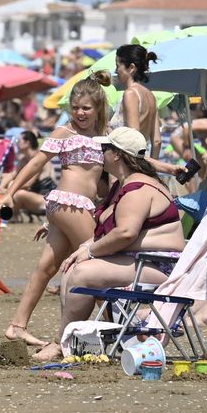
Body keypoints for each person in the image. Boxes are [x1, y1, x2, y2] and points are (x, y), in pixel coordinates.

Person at [41, 128, 184, 359]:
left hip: (161, 267)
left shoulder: (138, 189)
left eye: (104, 148)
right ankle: (69, 340)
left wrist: (90, 250)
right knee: (71, 269)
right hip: (142, 262)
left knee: (82, 274)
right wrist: (83, 248)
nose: (99, 152)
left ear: (117, 154)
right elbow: (111, 230)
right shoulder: (123, 185)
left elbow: (126, 233)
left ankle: (61, 345)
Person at [0, 74, 112, 346]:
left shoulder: (104, 136)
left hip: (71, 209)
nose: (80, 113)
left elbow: (103, 184)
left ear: (98, 108)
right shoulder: (64, 132)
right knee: (96, 263)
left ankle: (17, 326)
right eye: (76, 107)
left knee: (46, 268)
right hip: (69, 203)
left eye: (86, 108)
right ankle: (114, 327)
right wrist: (10, 193)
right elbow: (36, 163)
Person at [7, 130, 56, 218]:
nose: (16, 144)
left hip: (47, 200)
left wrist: (9, 190)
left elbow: (28, 184)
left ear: (27, 142)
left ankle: (13, 217)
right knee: (13, 190)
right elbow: (11, 175)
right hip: (34, 196)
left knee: (19, 194)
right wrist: (0, 187)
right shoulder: (23, 160)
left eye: (18, 141)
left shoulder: (38, 160)